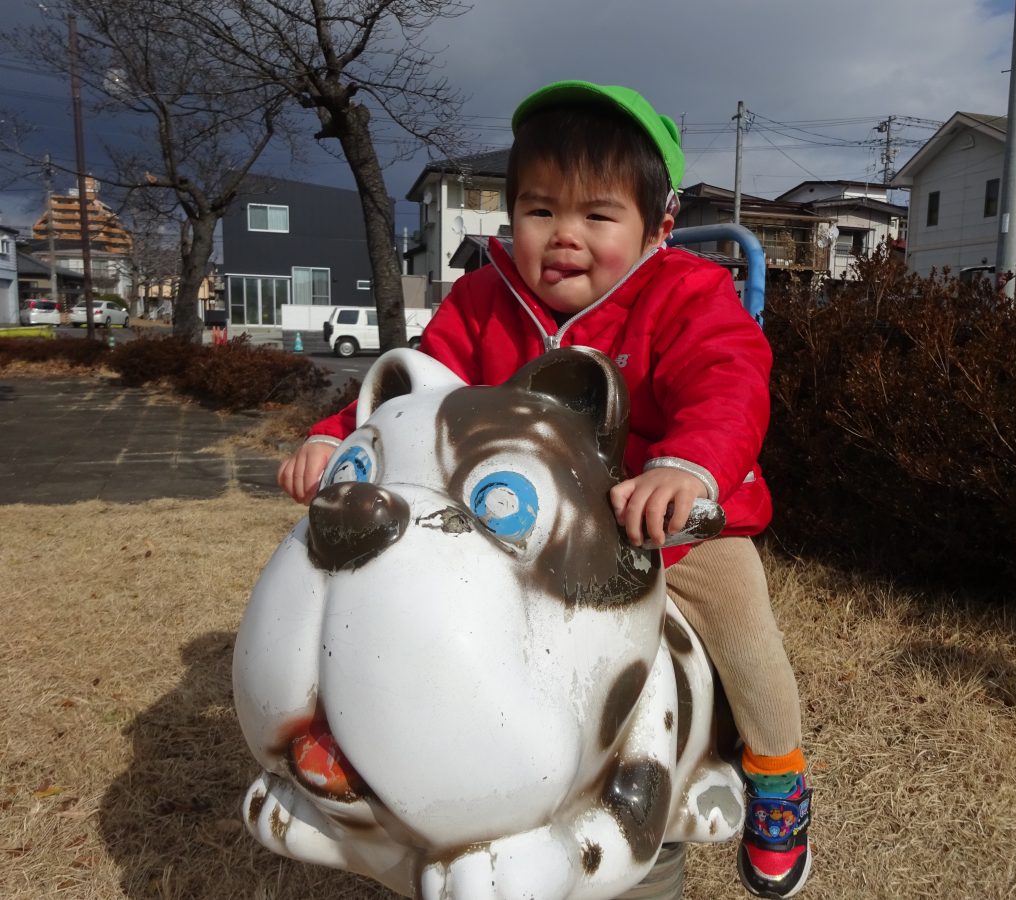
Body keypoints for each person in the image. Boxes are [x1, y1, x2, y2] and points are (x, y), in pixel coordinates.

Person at [278, 80, 812, 898]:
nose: (564, 235)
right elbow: (419, 392)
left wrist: (685, 466)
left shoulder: (685, 295)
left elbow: (729, 380)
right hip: (520, 533)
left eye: (598, 215)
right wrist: (335, 436)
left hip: (660, 523)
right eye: (539, 210)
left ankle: (778, 771)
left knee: (743, 624)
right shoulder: (483, 301)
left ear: (658, 226)